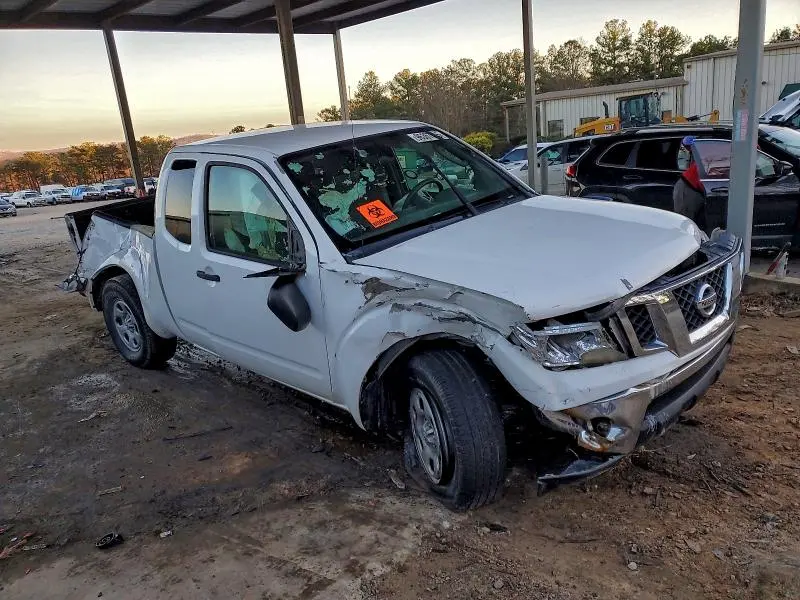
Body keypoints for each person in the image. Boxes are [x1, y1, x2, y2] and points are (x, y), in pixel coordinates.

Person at [672, 135, 707, 231]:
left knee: (697, 226)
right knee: (685, 226)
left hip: (697, 188)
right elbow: (686, 142)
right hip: (688, 187)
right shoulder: (706, 148)